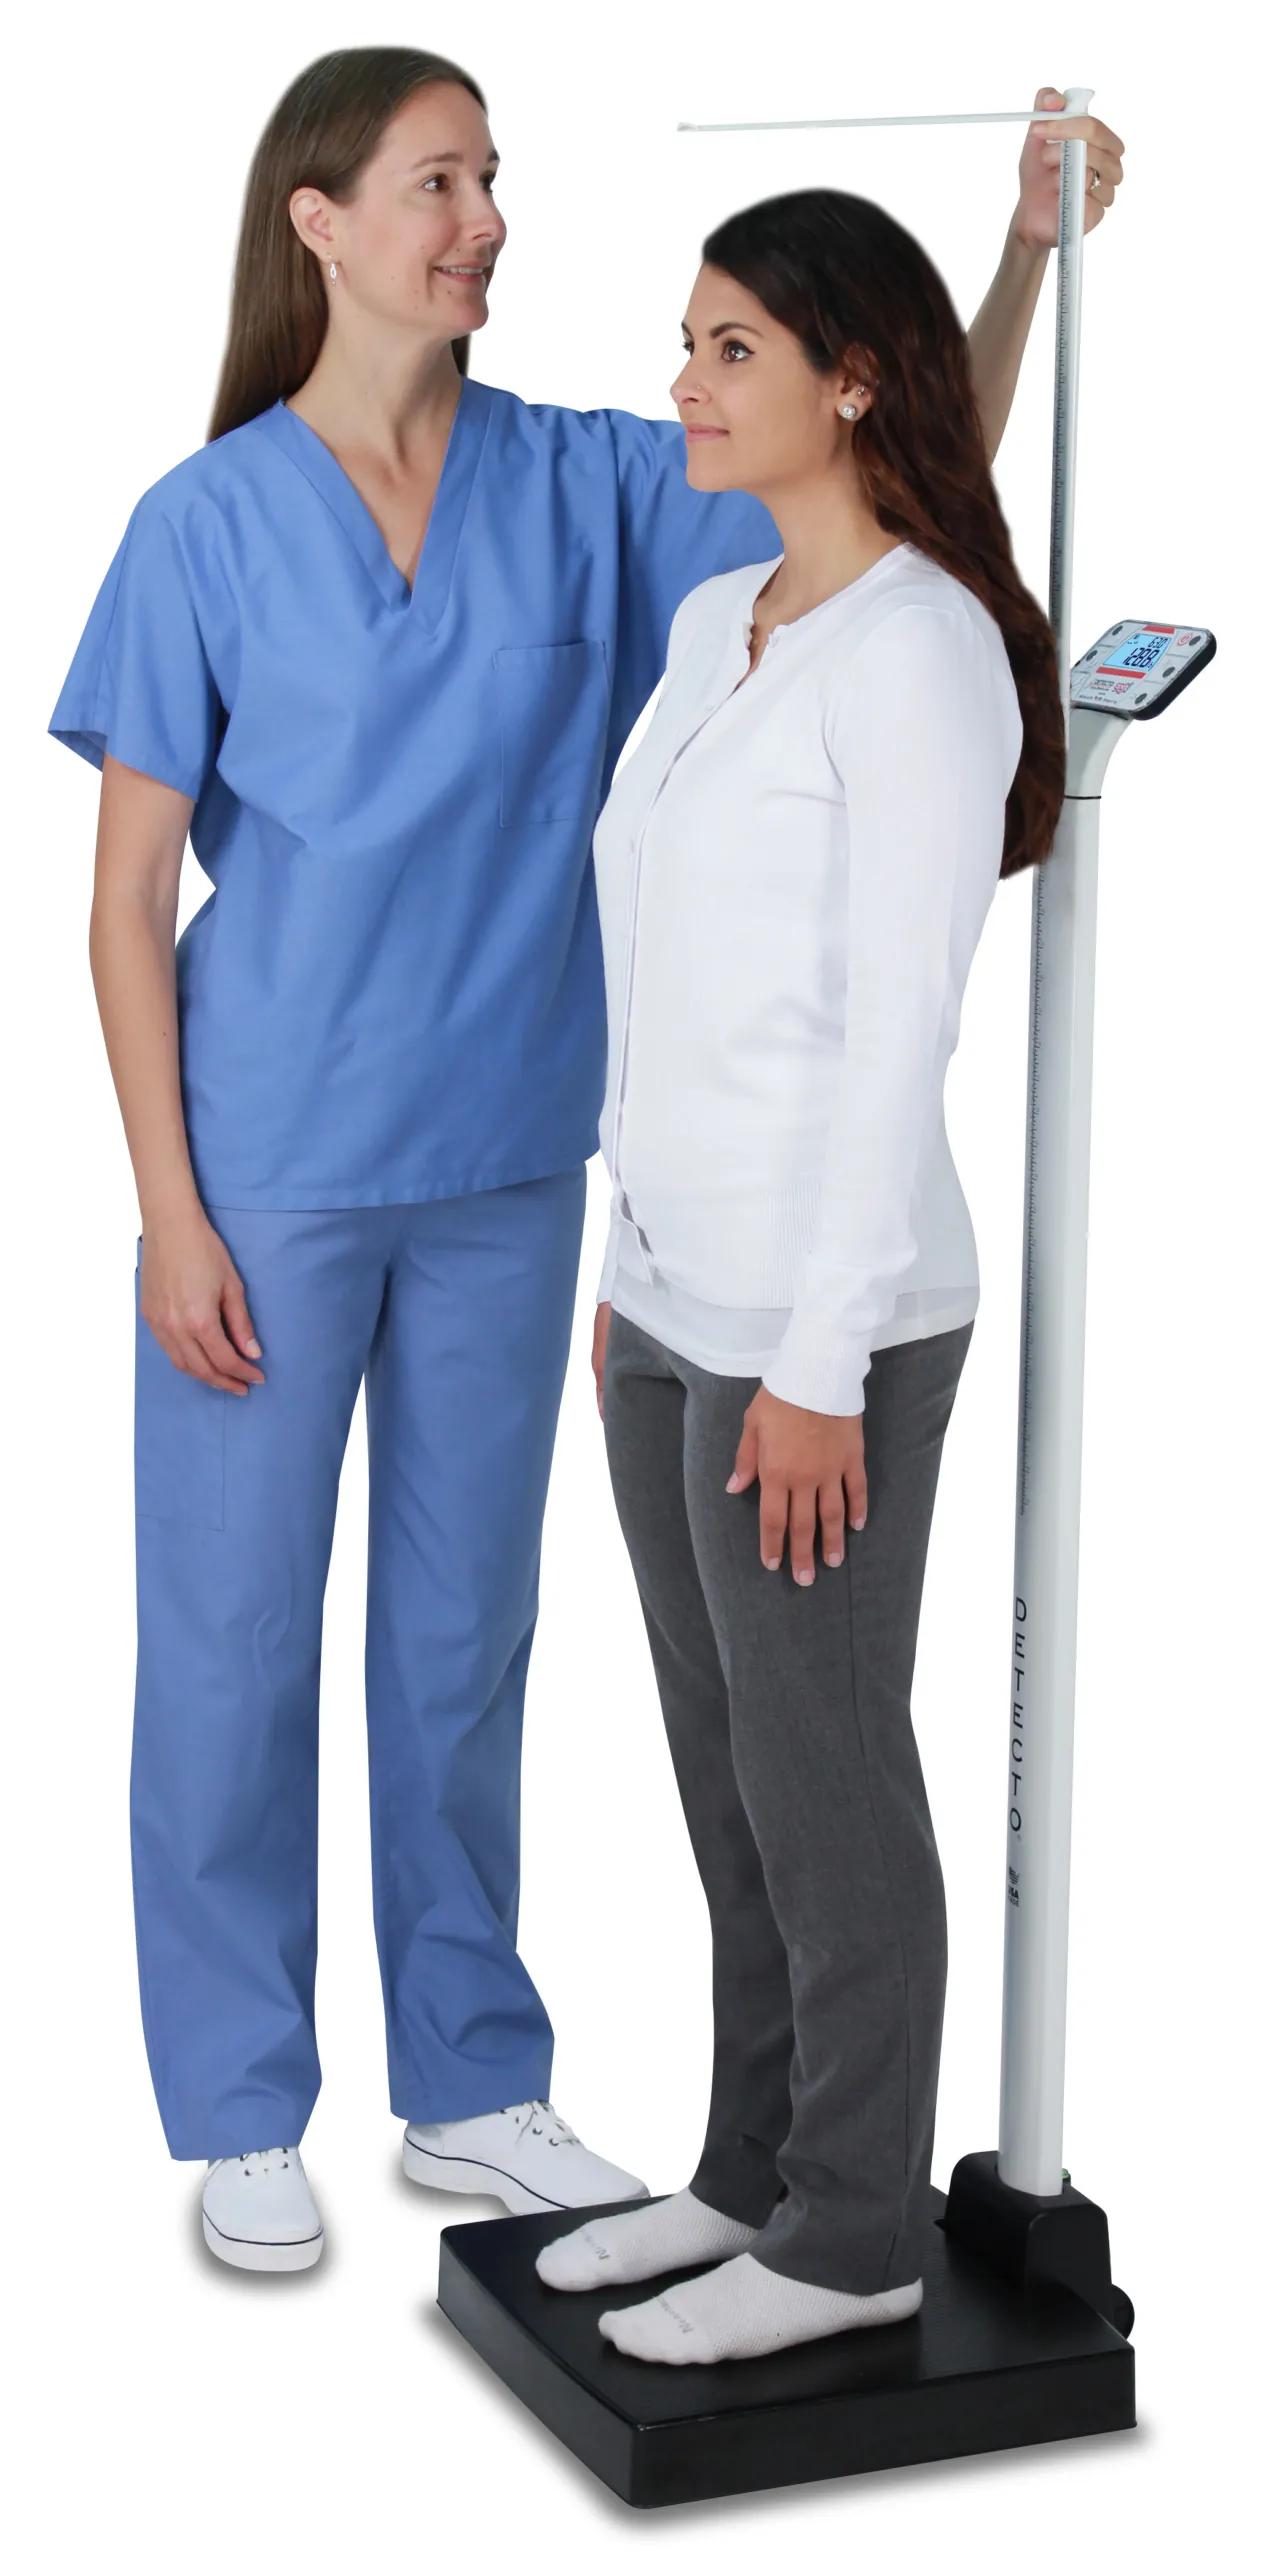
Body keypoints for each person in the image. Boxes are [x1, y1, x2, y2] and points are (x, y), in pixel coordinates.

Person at [48, 47, 1122, 2275]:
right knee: (233, 1639)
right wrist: (165, 1204)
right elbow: (124, 900)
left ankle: (466, 2074)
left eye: (492, 178)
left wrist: (1023, 253)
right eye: (438, 182)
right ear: (319, 223)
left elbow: (879, 463)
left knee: (462, 1636)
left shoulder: (581, 481)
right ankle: (244, 2098)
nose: (485, 221)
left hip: (516, 1164)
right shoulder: (203, 523)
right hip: (266, 1171)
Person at [535, 187, 1066, 2365]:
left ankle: (852, 2232)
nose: (684, 382)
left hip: (819, 1332)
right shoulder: (716, 623)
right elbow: (666, 971)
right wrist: (628, 1258)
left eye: (728, 346)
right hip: (668, 1304)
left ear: (850, 380)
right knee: (725, 1766)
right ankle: (750, 2165)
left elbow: (894, 1038)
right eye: (687, 340)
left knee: (823, 1775)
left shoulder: (918, 652)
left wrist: (821, 1361)